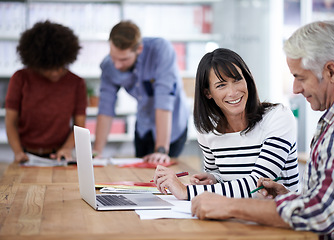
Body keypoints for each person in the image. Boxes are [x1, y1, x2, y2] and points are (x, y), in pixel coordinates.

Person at [190, 20, 334, 240]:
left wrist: (230, 206)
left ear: (330, 72)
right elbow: (331, 201)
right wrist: (287, 197)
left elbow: (320, 213)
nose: (296, 89)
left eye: (300, 77)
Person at [153, 48, 299, 200]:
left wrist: (186, 191)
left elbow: (259, 185)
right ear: (208, 93)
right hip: (231, 216)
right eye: (221, 85)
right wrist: (214, 179)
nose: (233, 92)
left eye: (237, 80)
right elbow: (220, 174)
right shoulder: (207, 131)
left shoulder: (278, 117)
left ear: (247, 80)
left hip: (278, 218)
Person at [93, 20, 189, 163]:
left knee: (162, 172)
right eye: (113, 57)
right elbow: (105, 109)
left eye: (124, 59)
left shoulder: (161, 50)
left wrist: (161, 150)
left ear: (139, 49)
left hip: (171, 127)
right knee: (141, 175)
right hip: (143, 127)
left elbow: (164, 100)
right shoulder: (108, 66)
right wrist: (96, 153)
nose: (117, 65)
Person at [5, 21, 87, 163]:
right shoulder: (20, 78)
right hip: (26, 155)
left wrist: (67, 148)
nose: (56, 73)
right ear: (36, 63)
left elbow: (79, 124)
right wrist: (18, 152)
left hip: (59, 156)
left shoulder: (76, 83)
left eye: (60, 66)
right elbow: (10, 121)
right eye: (49, 68)